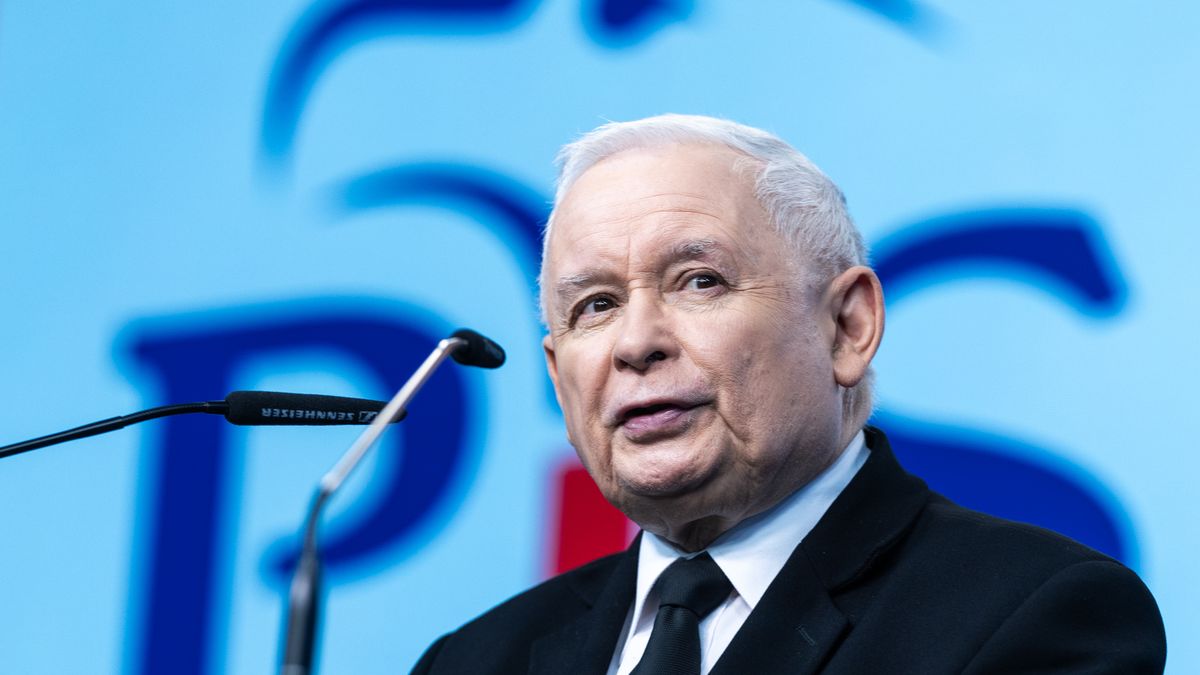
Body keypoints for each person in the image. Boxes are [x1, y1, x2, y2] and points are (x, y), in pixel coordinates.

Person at [412, 115, 1166, 674]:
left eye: (699, 281)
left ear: (847, 326)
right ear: (556, 373)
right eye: (596, 306)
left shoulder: (1036, 614)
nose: (635, 343)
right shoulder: (474, 659)